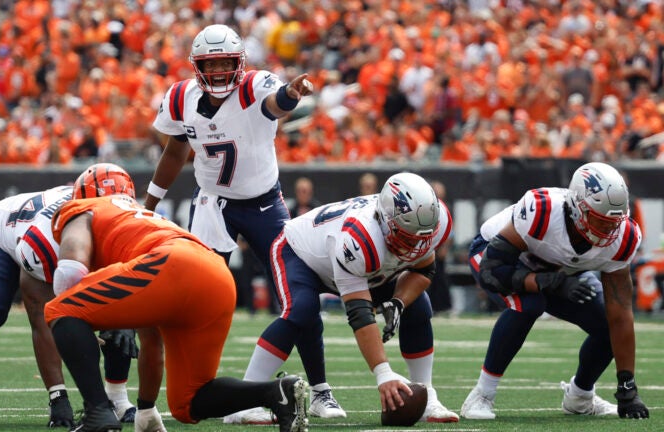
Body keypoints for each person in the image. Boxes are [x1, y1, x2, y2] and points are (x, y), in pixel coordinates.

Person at [141, 24, 328, 422]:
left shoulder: (255, 85)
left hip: (265, 204)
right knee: (195, 298)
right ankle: (199, 387)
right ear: (198, 66)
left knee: (300, 293)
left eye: (228, 62)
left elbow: (275, 103)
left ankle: (322, 390)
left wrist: (291, 94)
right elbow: (175, 154)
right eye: (213, 63)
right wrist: (150, 202)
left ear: (239, 62)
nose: (222, 70)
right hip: (213, 203)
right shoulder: (179, 98)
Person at [44, 163, 310, 432]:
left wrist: (93, 320)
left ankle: (98, 413)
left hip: (172, 264)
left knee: (60, 310)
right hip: (214, 272)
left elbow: (70, 274)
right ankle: (276, 393)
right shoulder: (142, 217)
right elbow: (151, 341)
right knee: (188, 401)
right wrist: (146, 408)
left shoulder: (82, 209)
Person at [234, 172, 459, 424]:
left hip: (361, 264)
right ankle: (243, 401)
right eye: (407, 238)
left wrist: (398, 302)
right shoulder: (359, 238)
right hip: (300, 252)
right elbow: (360, 314)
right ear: (386, 220)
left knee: (417, 304)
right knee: (301, 310)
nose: (415, 247)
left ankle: (427, 394)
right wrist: (383, 373)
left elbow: (423, 268)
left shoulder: (428, 221)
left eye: (421, 238)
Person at [0, 184, 137, 427]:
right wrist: (57, 395)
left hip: (53, 243)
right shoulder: (48, 237)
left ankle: (117, 398)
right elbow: (42, 315)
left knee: (118, 314)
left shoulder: (131, 223)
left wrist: (123, 317)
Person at [461, 162, 649, 420]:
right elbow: (493, 272)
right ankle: (482, 395)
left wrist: (627, 385)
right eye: (599, 220)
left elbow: (621, 313)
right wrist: (549, 283)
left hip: (560, 271)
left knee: (607, 323)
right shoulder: (542, 211)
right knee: (529, 305)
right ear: (576, 207)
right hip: (498, 258)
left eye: (613, 222)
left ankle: (580, 397)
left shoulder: (623, 237)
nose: (607, 231)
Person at [426, 180, 452, 313]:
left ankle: (443, 306)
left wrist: (445, 247)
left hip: (438, 247)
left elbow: (450, 229)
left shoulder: (444, 209)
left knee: (440, 278)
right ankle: (427, 305)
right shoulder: (426, 208)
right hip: (427, 248)